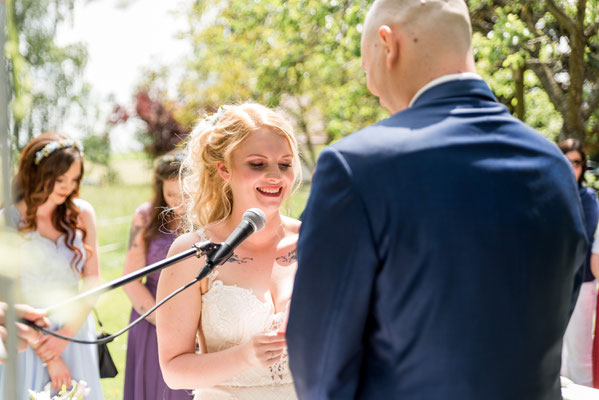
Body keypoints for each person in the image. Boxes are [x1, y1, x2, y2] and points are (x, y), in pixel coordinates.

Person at [286, 0, 588, 399]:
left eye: (365, 67)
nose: (372, 89)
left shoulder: (356, 167)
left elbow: (319, 366)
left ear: (387, 44)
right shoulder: (552, 165)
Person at [156, 103, 301, 400]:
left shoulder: (317, 241)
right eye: (258, 164)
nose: (275, 175)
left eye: (284, 164)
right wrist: (246, 356)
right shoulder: (194, 252)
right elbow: (173, 370)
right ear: (224, 168)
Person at [0, 132, 103, 399]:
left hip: (76, 331)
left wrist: (65, 337)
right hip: (27, 336)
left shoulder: (82, 214)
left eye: (74, 179)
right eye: (60, 179)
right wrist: (47, 352)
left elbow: (93, 282)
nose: (67, 187)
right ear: (36, 173)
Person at [122, 152, 192, 400]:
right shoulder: (145, 217)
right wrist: (162, 321)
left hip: (195, 324)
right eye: (170, 195)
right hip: (151, 318)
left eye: (184, 195)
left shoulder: (210, 218)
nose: (177, 203)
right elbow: (130, 279)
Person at [558, 139, 599, 387]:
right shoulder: (546, 191)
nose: (572, 167)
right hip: (551, 283)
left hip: (581, 282)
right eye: (566, 161)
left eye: (576, 162)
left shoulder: (588, 197)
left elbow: (580, 236)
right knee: (558, 357)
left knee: (580, 357)